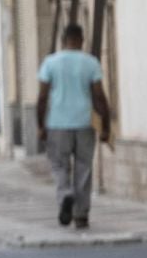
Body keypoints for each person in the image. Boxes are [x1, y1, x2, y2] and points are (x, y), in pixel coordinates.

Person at [37, 24, 111, 230]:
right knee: (83, 168)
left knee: (59, 165)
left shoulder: (50, 63)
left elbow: (42, 97)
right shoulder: (90, 63)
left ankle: (65, 194)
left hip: (57, 123)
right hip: (84, 122)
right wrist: (106, 126)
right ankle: (81, 215)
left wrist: (40, 125)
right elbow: (99, 96)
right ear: (82, 39)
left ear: (63, 39)